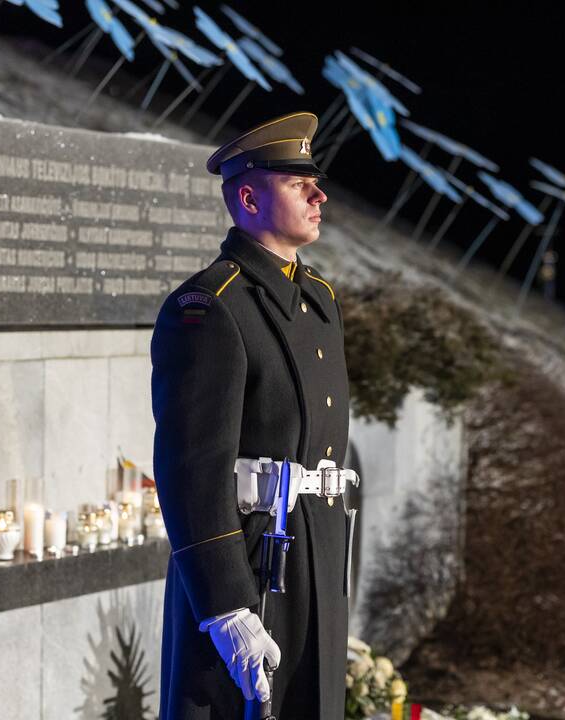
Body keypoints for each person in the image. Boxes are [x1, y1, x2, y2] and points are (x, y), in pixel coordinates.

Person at [151, 112, 355, 719]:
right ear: (248, 196)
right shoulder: (210, 307)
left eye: (315, 181)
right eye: (299, 184)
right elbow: (191, 469)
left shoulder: (318, 300)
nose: (319, 194)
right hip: (249, 570)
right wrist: (224, 608)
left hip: (313, 555)